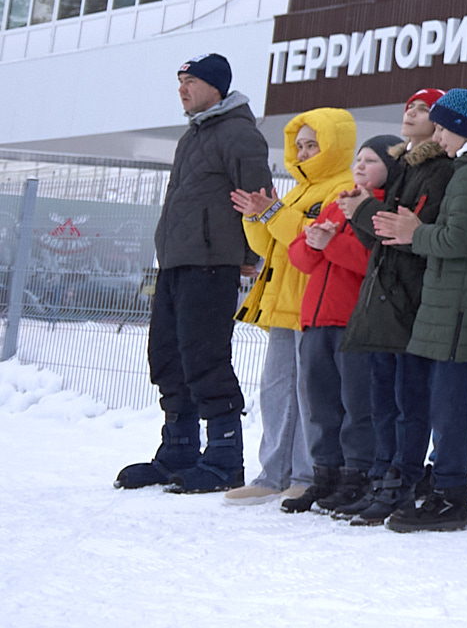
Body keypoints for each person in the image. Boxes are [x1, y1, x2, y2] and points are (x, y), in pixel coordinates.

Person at [119, 54, 266, 494]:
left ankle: (224, 458)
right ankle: (179, 449)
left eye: (191, 81)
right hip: (177, 262)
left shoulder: (239, 133)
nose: (182, 89)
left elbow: (256, 196)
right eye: (180, 81)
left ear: (215, 87)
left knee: (205, 357)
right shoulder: (193, 136)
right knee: (167, 355)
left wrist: (250, 253)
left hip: (212, 262)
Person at [372, 83, 467, 533]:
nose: (437, 137)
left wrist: (415, 232)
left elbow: (458, 239)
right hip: (457, 303)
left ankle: (450, 496)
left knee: (450, 402)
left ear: (456, 128)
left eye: (441, 127)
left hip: (460, 306)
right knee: (450, 399)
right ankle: (447, 489)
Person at [227, 109, 354, 503]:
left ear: (334, 145)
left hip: (315, 306)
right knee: (276, 390)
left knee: (309, 394)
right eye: (299, 145)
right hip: (284, 303)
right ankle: (273, 473)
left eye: (312, 144)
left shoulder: (342, 188)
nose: (302, 152)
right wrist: (255, 218)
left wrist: (272, 213)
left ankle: (305, 472)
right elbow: (272, 246)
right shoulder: (299, 190)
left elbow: (307, 238)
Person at [339, 90, 454, 525]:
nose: (411, 112)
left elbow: (405, 234)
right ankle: (382, 475)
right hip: (386, 296)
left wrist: (363, 210)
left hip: (409, 298)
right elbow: (383, 237)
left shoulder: (438, 169)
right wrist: (362, 213)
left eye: (423, 109)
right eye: (409, 106)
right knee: (382, 397)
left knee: (409, 399)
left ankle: (401, 481)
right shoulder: (406, 166)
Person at [285, 132, 387, 515]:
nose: (360, 166)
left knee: (356, 404)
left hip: (352, 322)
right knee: (321, 404)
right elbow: (301, 258)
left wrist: (328, 245)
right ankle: (324, 475)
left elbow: (369, 261)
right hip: (316, 320)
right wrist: (312, 242)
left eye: (371, 161)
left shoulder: (379, 209)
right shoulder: (336, 203)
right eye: (358, 160)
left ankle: (356, 475)